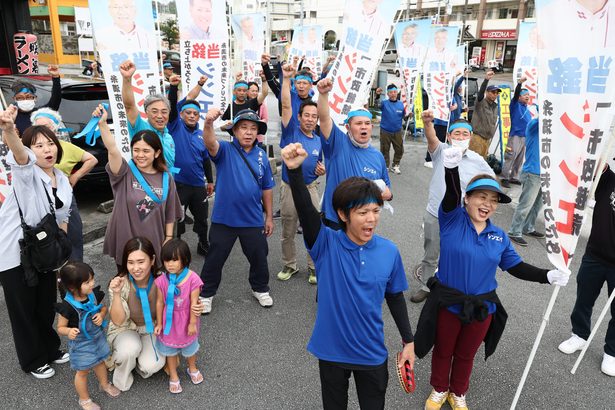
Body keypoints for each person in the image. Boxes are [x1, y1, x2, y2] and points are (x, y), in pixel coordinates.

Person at [414, 146, 569, 410]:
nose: (487, 204)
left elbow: (516, 267)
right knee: (443, 350)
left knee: (466, 354)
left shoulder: (498, 236)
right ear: (468, 199)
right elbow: (451, 195)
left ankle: (458, 392)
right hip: (448, 303)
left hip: (483, 307)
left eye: (493, 200)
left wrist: (548, 275)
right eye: (481, 197)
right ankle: (440, 389)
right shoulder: (451, 219)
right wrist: (451, 169)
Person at [281, 142, 415, 409]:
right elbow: (308, 214)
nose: (371, 220)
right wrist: (295, 172)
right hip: (331, 352)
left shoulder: (389, 251)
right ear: (343, 214)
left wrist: (408, 341)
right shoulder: (326, 244)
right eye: (362, 212)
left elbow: (395, 296)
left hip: (372, 353)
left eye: (375, 211)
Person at [0, 106, 72, 378]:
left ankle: (51, 349)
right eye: (38, 145)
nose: (47, 149)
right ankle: (31, 360)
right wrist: (8, 131)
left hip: (44, 253)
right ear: (30, 151)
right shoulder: (26, 175)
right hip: (13, 253)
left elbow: (62, 220)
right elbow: (20, 158)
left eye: (50, 143)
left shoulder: (62, 179)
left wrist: (61, 258)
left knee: (44, 304)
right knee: (24, 309)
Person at [410, 111, 494, 304]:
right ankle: (426, 286)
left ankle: (451, 288)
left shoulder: (478, 161)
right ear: (449, 136)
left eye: (465, 134)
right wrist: (428, 123)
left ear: (471, 137)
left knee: (456, 254)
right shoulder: (441, 151)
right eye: (457, 134)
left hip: (461, 217)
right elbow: (431, 139)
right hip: (435, 213)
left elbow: (490, 183)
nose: (461, 137)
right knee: (431, 253)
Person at [199, 108, 275, 314]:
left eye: (253, 128)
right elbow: (209, 143)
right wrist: (208, 123)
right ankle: (206, 294)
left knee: (259, 256)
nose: (249, 132)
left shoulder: (262, 155)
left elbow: (267, 187)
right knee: (215, 258)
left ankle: (260, 288)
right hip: (224, 219)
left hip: (253, 219)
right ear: (234, 131)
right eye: (243, 128)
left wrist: (268, 216)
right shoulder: (224, 150)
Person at [95, 104, 182, 269]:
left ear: (157, 153)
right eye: (136, 150)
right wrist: (102, 124)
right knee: (127, 288)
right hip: (126, 243)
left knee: (154, 289)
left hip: (154, 242)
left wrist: (168, 238)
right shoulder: (123, 172)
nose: (140, 155)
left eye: (146, 151)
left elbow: (170, 212)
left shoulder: (166, 178)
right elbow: (113, 150)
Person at [558, 161, 615, 377]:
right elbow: (597, 164)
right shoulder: (608, 179)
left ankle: (612, 351)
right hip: (595, 254)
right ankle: (579, 335)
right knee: (584, 297)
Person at [316, 77, 392, 229]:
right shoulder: (338, 144)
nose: (364, 127)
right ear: (348, 128)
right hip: (335, 221)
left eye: (367, 123)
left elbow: (388, 193)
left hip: (362, 225)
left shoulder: (377, 157)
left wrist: (376, 189)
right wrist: (323, 94)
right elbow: (324, 119)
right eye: (358, 123)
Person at [277, 63, 325, 285]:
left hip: (310, 188)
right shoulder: (291, 130)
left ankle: (313, 267)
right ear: (299, 117)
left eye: (314, 116)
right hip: (288, 188)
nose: (310, 119)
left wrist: (321, 169)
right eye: (306, 115)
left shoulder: (318, 139)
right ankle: (290, 265)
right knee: (288, 227)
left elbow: (319, 164)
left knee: (313, 227)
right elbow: (286, 105)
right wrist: (287, 79)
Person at [31, 108, 98, 261]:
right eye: (38, 127)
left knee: (72, 234)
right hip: (39, 199)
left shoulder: (64, 146)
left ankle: (76, 275)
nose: (43, 131)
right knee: (45, 238)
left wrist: (75, 176)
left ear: (55, 128)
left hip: (64, 196)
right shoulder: (30, 149)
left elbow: (92, 159)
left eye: (47, 127)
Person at [55, 262, 121, 409]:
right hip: (81, 344)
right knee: (83, 371)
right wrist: (68, 331)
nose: (93, 283)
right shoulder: (67, 306)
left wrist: (101, 315)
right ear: (72, 287)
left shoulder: (93, 295)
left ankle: (104, 384)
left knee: (100, 362)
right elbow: (60, 327)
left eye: (92, 279)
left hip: (98, 338)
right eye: (87, 282)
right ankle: (84, 399)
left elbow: (103, 308)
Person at [167, 75, 215, 257]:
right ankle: (177, 248)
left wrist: (210, 181)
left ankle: (203, 243)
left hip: (197, 184)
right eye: (188, 113)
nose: (192, 116)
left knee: (202, 218)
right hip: (178, 183)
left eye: (196, 113)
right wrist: (173, 87)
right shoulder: (175, 126)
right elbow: (171, 107)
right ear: (181, 114)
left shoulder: (202, 135)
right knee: (178, 218)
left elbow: (205, 160)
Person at [154, 239, 204, 393]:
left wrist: (192, 323)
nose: (170, 264)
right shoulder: (161, 280)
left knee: (190, 348)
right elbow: (159, 303)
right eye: (167, 260)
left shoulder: (192, 278)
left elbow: (194, 304)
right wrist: (159, 323)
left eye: (175, 260)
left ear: (185, 259)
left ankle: (192, 367)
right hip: (169, 322)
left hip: (187, 319)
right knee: (169, 349)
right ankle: (173, 375)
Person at [119, 60, 177, 170]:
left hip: (167, 184)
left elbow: (170, 165)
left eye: (164, 112)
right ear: (146, 112)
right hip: (147, 185)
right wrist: (127, 79)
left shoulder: (168, 136)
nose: (160, 116)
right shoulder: (141, 129)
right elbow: (129, 106)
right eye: (154, 111)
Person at [507, 119, 545, 246]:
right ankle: (514, 231)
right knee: (525, 205)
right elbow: (543, 116)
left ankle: (528, 227)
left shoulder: (551, 132)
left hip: (545, 174)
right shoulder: (534, 124)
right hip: (532, 173)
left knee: (537, 205)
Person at [12, 64, 62, 135]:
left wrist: (56, 77)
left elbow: (56, 99)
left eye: (29, 97)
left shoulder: (41, 113)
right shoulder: (11, 116)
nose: (25, 100)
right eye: (20, 98)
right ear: (14, 99)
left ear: (35, 98)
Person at [501, 76, 531, 188]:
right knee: (510, 157)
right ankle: (504, 178)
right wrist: (519, 84)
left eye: (528, 95)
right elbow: (515, 94)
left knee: (519, 158)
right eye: (524, 95)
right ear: (519, 97)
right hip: (515, 136)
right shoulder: (515, 105)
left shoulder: (527, 108)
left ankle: (514, 177)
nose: (527, 96)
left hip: (525, 137)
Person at [469, 70, 500, 158]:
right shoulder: (481, 102)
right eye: (493, 92)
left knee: (482, 163)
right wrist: (486, 80)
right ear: (487, 92)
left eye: (497, 93)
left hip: (487, 139)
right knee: (474, 162)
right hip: (477, 138)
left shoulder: (495, 106)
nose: (495, 94)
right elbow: (480, 93)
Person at [375, 84, 405, 174]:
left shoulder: (401, 104)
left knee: (400, 149)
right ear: (388, 94)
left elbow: (405, 117)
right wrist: (377, 95)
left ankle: (395, 165)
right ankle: (385, 166)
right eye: (391, 92)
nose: (393, 94)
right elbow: (377, 105)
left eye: (395, 92)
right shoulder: (384, 103)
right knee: (384, 149)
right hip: (385, 130)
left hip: (397, 131)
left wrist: (409, 116)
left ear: (397, 93)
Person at [247, 77, 269, 147]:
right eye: (253, 91)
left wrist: (257, 122)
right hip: (244, 138)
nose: (255, 93)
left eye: (256, 91)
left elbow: (265, 119)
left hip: (257, 138)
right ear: (247, 91)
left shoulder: (261, 104)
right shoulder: (243, 103)